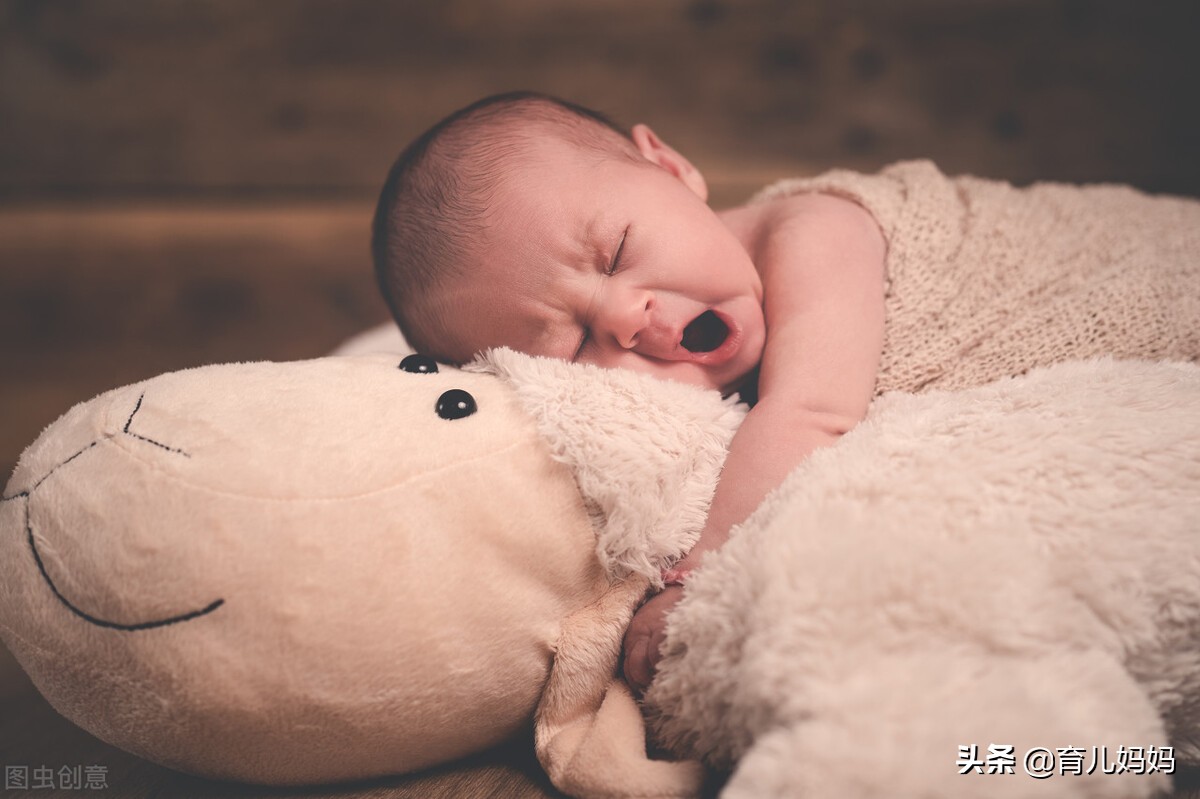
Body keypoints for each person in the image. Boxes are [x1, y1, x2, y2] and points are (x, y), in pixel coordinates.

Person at [372, 91, 1200, 695]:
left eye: (619, 249)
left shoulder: (818, 232)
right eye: (574, 343)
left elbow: (812, 412)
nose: (629, 316)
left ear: (670, 166)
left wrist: (691, 580)